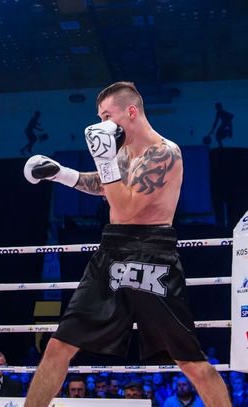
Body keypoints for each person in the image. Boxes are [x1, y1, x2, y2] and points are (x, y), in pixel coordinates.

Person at [23, 81, 230, 407]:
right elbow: (105, 186)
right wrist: (61, 174)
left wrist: (105, 160)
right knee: (58, 346)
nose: (102, 124)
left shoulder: (165, 153)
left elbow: (128, 208)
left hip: (152, 254)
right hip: (111, 251)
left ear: (131, 111)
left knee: (190, 361)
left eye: (107, 116)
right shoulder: (122, 154)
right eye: (99, 117)